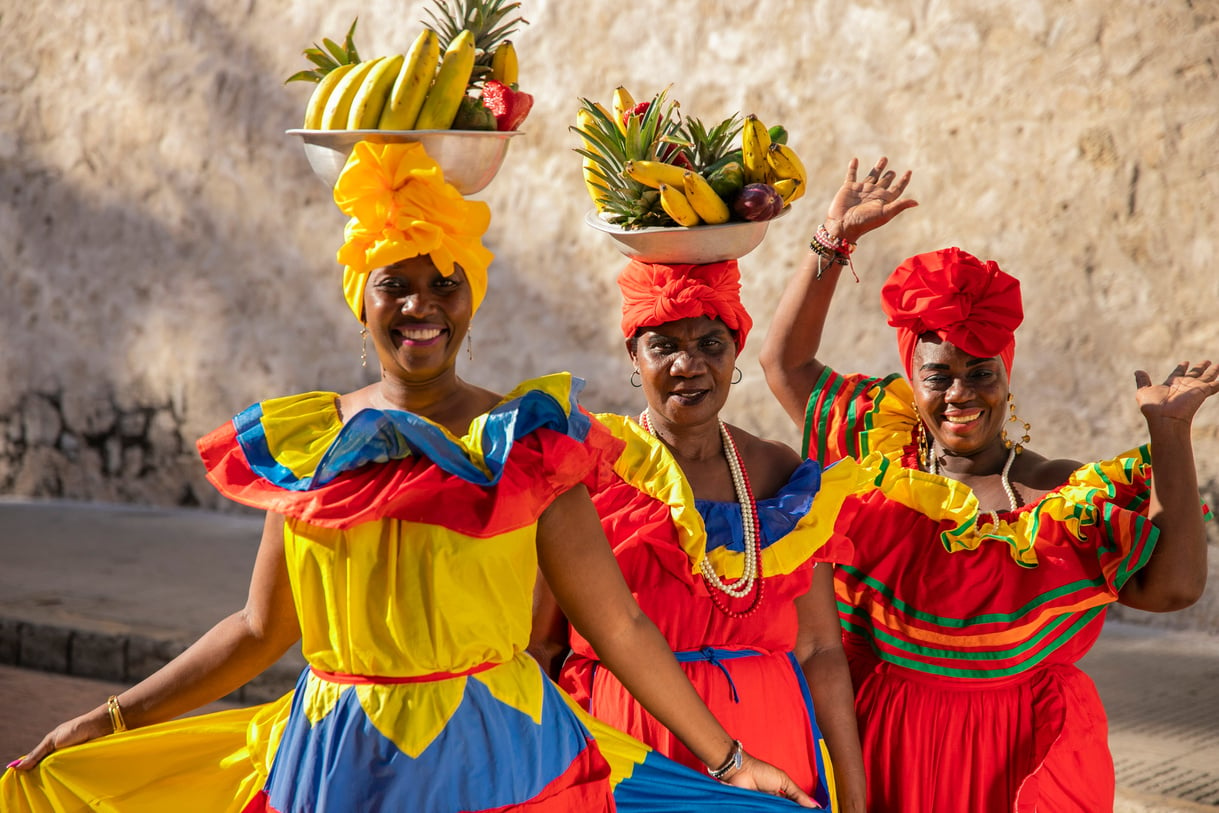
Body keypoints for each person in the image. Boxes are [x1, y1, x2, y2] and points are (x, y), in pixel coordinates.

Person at [2, 141, 820, 811]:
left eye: (444, 282)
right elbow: (258, 630)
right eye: (396, 283)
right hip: (339, 767)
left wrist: (728, 762)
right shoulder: (308, 441)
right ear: (362, 300)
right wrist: (109, 717)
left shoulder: (530, 443)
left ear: (471, 299)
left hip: (505, 762)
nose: (420, 304)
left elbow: (621, 629)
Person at [758, 157, 1218, 812]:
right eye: (938, 374)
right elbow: (784, 363)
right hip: (886, 746)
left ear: (1006, 375)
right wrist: (832, 241)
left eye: (980, 373)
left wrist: (1170, 434)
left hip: (1013, 761)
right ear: (909, 377)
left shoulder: (1055, 496)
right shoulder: (879, 461)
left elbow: (1171, 586)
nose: (959, 395)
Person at [531, 257, 869, 811]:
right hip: (636, 761)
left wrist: (855, 800)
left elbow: (820, 649)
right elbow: (543, 647)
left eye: (711, 344)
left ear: (736, 352)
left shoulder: (780, 475)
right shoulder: (588, 473)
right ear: (633, 356)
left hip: (776, 759)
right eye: (663, 346)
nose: (690, 365)